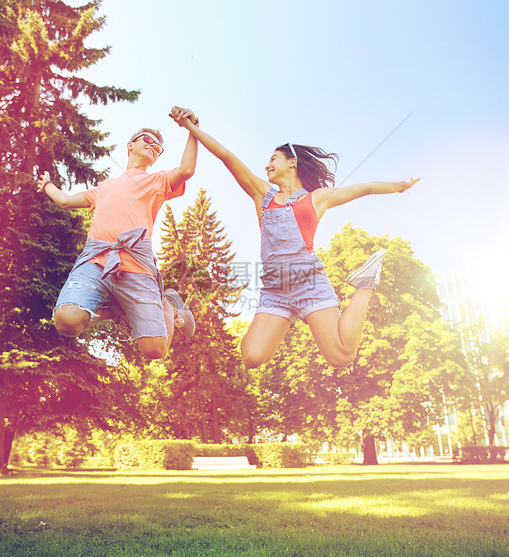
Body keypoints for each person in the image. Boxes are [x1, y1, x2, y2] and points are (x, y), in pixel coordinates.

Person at [173, 108, 419, 369]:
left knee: (341, 357)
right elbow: (226, 156)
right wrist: (192, 128)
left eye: (274, 158)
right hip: (275, 290)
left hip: (309, 282)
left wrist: (400, 186)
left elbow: (366, 188)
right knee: (252, 357)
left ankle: (364, 284)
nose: (267, 164)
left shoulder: (317, 198)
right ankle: (285, 319)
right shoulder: (262, 195)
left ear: (292, 163)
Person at [37, 108, 200, 359]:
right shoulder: (104, 187)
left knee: (155, 351)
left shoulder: (157, 181)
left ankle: (168, 302)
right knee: (66, 321)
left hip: (137, 269)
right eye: (148, 140)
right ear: (130, 145)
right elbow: (67, 201)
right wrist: (47, 184)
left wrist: (192, 130)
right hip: (95, 264)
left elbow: (187, 170)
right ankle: (114, 310)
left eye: (158, 148)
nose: (154, 147)